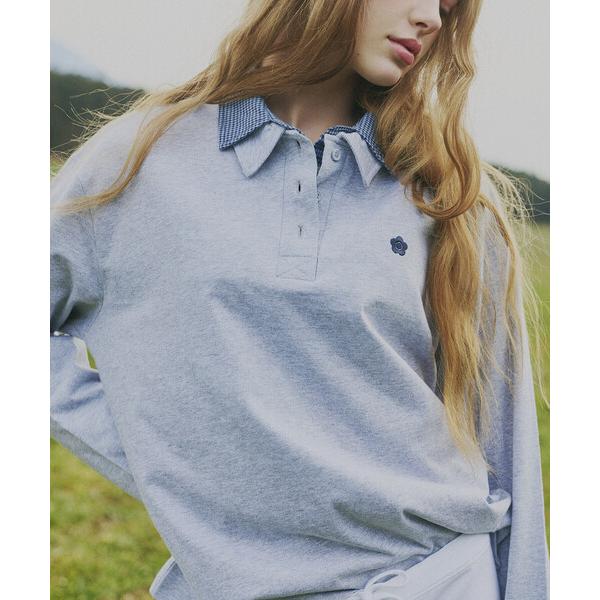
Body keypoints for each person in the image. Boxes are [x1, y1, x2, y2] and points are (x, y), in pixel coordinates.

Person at [50, 1, 549, 599]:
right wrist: (167, 458)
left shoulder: (448, 192)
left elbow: (504, 436)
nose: (432, 20)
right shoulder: (141, 157)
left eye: (447, 7)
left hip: (438, 577)